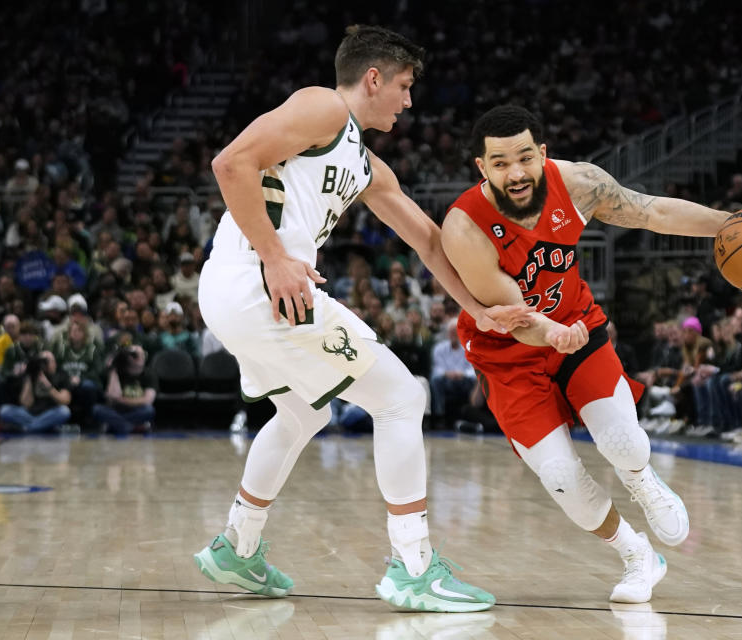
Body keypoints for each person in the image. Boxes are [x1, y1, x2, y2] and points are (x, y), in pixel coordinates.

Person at [193, 26, 530, 611]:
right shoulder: (322, 105)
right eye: (403, 86)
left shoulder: (364, 163)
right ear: (372, 78)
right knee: (401, 396)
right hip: (257, 282)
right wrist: (276, 256)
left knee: (303, 412)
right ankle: (414, 568)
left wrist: (478, 309)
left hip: (238, 292)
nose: (408, 101)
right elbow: (231, 164)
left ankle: (237, 546)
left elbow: (427, 241)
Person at [440, 105, 732, 604]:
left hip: (578, 328)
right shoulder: (464, 228)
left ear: (544, 154)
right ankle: (637, 554)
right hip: (508, 351)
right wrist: (549, 332)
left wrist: (732, 225)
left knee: (621, 440)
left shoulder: (578, 184)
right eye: (501, 162)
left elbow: (654, 211)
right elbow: (517, 318)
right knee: (560, 478)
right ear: (481, 168)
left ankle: (643, 481)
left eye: (525, 158)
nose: (516, 173)